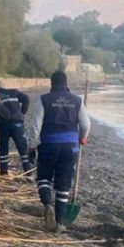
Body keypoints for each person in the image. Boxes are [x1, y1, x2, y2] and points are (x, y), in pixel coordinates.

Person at [29, 71, 91, 232]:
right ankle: (59, 223)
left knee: (43, 177)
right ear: (66, 83)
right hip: (70, 146)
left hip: (48, 145)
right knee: (63, 184)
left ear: (52, 83)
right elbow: (85, 124)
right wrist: (83, 137)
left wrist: (32, 145)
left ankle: (48, 204)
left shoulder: (44, 99)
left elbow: (36, 125)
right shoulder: (77, 100)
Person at [0, 80, 31, 175]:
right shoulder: (13, 91)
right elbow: (26, 98)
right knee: (22, 147)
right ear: (4, 86)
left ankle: (3, 171)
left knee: (4, 148)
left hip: (3, 125)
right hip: (17, 122)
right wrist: (22, 113)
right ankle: (28, 171)